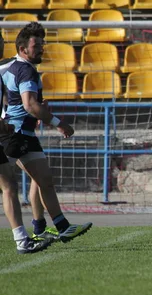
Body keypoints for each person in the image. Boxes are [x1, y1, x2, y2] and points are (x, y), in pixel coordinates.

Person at [1, 22, 92, 243]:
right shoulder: (25, 70)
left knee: (43, 179)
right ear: (23, 49)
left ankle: (60, 227)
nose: (41, 48)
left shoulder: (7, 65)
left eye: (42, 44)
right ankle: (26, 237)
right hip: (15, 134)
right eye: (36, 45)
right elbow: (29, 104)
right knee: (8, 185)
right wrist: (57, 122)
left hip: (24, 133)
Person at [0, 34, 51, 254]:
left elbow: (8, 99)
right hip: (13, 134)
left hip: (9, 131)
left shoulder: (4, 70)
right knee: (12, 185)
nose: (2, 47)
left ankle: (25, 239)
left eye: (2, 44)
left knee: (10, 185)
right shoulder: (12, 68)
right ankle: (30, 234)